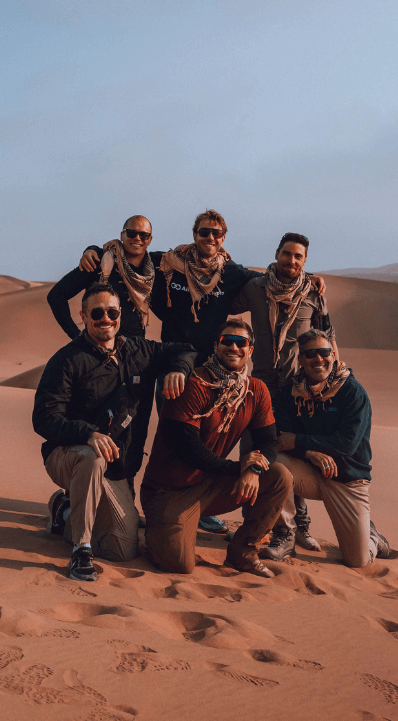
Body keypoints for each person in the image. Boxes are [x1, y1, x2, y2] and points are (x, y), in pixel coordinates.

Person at [79, 211, 324, 534]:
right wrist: (95, 248)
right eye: (205, 232)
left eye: (217, 234)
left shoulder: (233, 273)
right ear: (194, 234)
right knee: (169, 438)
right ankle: (151, 501)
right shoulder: (168, 263)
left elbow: (271, 281)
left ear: (224, 238)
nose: (211, 239)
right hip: (172, 368)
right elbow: (131, 251)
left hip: (214, 373)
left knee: (211, 440)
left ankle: (202, 505)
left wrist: (309, 278)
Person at [32, 283, 196, 581]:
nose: (105, 318)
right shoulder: (67, 360)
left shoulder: (139, 350)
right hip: (68, 456)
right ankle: (81, 551)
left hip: (116, 467)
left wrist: (179, 370)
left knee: (122, 549)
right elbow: (44, 418)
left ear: (120, 315)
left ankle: (65, 511)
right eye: (97, 312)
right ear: (83, 316)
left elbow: (184, 349)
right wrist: (87, 434)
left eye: (112, 312)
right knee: (92, 458)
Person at [140, 318, 292, 577]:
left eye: (241, 342)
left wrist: (253, 470)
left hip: (209, 485)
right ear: (216, 346)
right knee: (178, 564)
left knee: (279, 477)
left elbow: (268, 440)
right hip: (167, 492)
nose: (234, 347)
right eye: (227, 341)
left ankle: (243, 552)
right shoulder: (195, 383)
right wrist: (237, 468)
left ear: (250, 349)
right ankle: (156, 532)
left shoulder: (255, 390)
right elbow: (188, 448)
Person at [230, 232, 332, 551]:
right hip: (259, 386)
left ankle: (298, 527)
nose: (291, 261)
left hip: (297, 393)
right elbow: (225, 301)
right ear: (276, 254)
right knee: (251, 454)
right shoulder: (255, 288)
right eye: (287, 254)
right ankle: (256, 524)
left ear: (305, 261)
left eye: (298, 256)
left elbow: (326, 338)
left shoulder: (313, 293)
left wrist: (328, 383)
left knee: (291, 460)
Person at [260, 328, 390, 566]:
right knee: (274, 463)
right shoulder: (291, 391)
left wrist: (300, 442)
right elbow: (281, 438)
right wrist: (310, 453)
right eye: (310, 354)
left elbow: (346, 445)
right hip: (309, 473)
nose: (318, 359)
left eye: (324, 352)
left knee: (358, 560)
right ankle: (286, 535)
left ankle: (372, 536)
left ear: (333, 355)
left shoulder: (352, 392)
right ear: (301, 359)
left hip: (346, 479)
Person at [47, 216, 156, 488]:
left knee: (134, 428)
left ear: (150, 240)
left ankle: (123, 492)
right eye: (132, 233)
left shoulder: (154, 269)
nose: (138, 239)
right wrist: (78, 337)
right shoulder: (100, 263)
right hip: (98, 361)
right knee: (99, 425)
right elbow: (56, 295)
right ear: (122, 234)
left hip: (135, 361)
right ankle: (83, 489)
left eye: (144, 235)